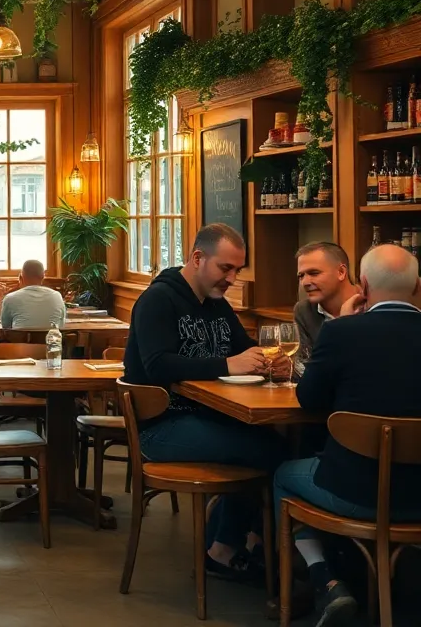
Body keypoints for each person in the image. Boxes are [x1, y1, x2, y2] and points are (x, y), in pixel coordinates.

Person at [124, 223, 288, 581]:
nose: (232, 278)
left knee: (275, 441)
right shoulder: (157, 300)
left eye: (237, 270)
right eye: (225, 268)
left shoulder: (216, 303)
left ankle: (240, 544)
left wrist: (267, 359)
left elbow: (242, 346)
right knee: (268, 449)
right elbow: (157, 365)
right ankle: (235, 550)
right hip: (161, 426)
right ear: (198, 258)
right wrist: (228, 364)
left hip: (207, 417)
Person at [274, 244, 421, 626]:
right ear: (418, 286)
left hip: (356, 493)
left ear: (364, 285)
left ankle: (326, 580)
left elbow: (308, 399)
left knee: (282, 473)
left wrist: (338, 325)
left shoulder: (342, 333)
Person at [292, 241, 359, 374]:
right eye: (301, 276)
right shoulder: (304, 310)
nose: (305, 282)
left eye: (314, 273)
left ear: (341, 272)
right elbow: (304, 366)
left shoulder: (371, 305)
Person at [0, 259, 67, 330]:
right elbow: (61, 324)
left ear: (21, 277)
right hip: (50, 340)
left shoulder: (10, 298)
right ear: (43, 277)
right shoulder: (57, 296)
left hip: (20, 340)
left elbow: (6, 328)